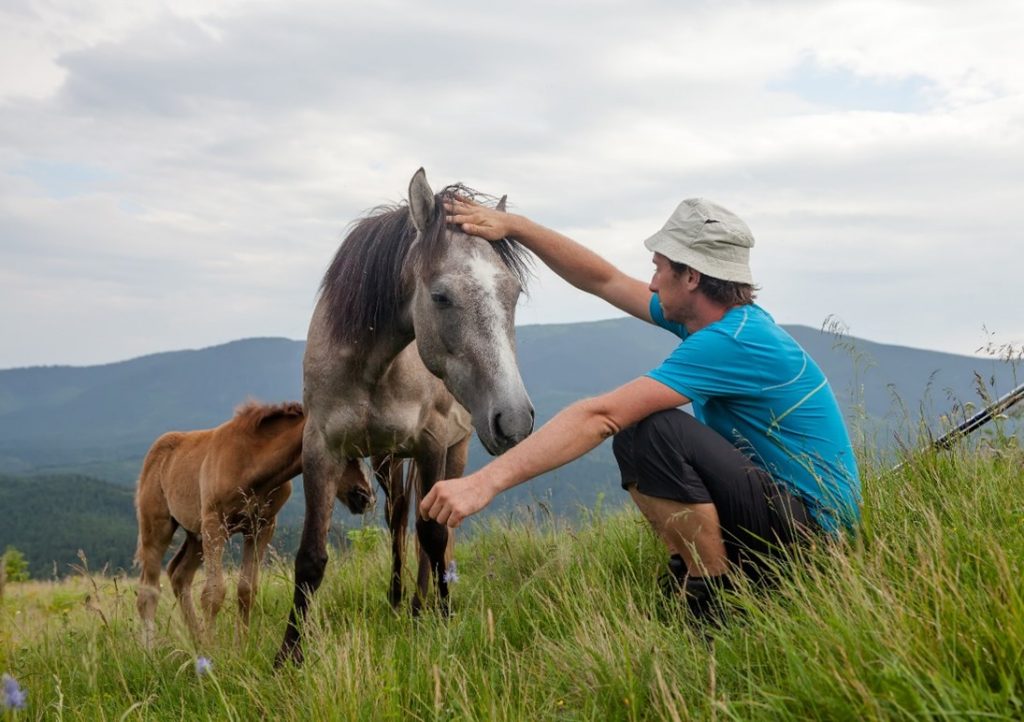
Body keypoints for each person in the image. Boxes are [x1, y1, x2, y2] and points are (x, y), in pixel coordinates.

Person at [420, 196, 861, 621]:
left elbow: (600, 416)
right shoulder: (721, 321)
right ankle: (692, 576)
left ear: (691, 277)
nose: (651, 283)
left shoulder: (734, 341)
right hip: (791, 516)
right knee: (639, 434)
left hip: (815, 540)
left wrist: (483, 484)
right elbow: (603, 280)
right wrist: (517, 227)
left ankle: (717, 601)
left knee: (652, 432)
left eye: (660, 269)